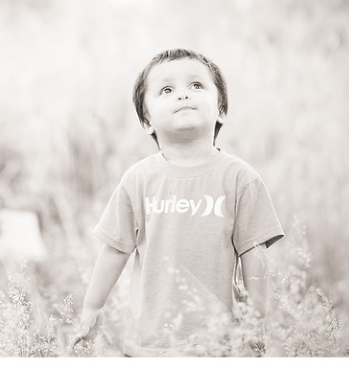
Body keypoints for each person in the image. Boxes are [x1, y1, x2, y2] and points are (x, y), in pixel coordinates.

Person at [69, 49, 284, 357]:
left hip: (219, 343)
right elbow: (116, 247)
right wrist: (92, 307)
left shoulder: (240, 179)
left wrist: (256, 320)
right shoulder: (139, 179)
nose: (183, 95)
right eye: (167, 90)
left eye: (196, 86)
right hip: (149, 344)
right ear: (147, 121)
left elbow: (254, 252)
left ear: (220, 109)